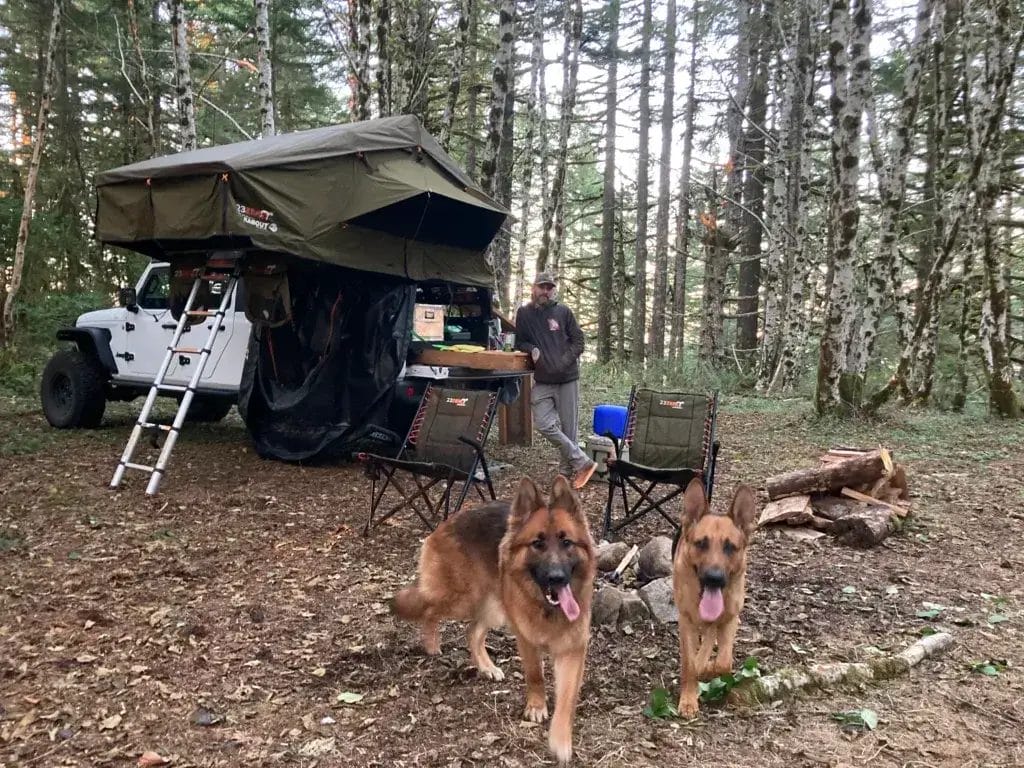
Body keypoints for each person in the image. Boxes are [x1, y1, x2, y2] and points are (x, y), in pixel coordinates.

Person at [515, 272, 597, 490]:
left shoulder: (563, 312)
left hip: (567, 378)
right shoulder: (524, 313)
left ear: (554, 290)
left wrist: (563, 362)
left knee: (569, 427)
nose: (545, 291)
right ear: (534, 288)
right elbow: (519, 340)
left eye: (549, 287)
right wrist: (531, 349)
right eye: (542, 286)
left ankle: (566, 472)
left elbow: (579, 342)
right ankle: (583, 462)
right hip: (543, 379)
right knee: (543, 423)